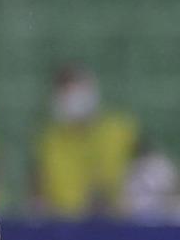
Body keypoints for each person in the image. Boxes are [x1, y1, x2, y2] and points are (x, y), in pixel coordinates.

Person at [34, 65, 139, 217]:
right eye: (65, 91)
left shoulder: (121, 130)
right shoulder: (48, 141)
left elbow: (155, 170)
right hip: (66, 227)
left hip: (121, 221)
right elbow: (37, 192)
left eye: (75, 89)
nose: (71, 98)